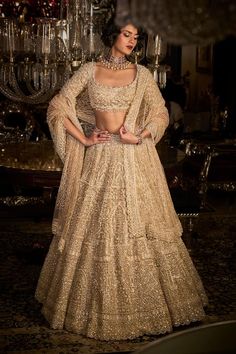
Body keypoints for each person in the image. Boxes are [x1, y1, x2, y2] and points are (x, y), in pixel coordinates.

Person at [35, 17, 207, 341]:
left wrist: (140, 134)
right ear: (112, 35)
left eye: (135, 37)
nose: (131, 41)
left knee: (139, 225)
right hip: (100, 157)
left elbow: (160, 113)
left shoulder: (142, 75)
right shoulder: (89, 70)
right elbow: (59, 105)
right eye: (126, 34)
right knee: (96, 226)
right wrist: (84, 139)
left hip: (133, 157)